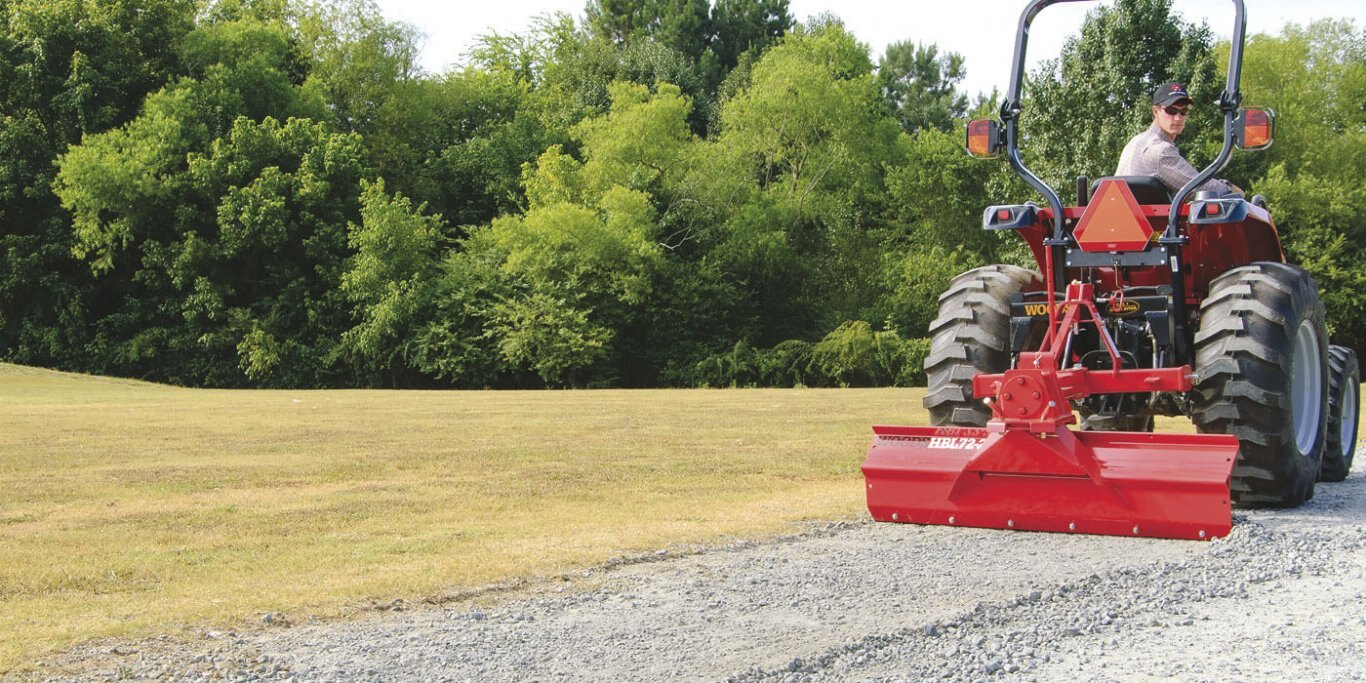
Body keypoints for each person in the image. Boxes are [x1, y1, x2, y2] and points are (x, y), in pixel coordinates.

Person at [1115, 82, 1241, 196]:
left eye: (1183, 111)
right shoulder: (1160, 151)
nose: (1178, 118)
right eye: (1171, 111)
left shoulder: (1135, 141)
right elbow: (1198, 186)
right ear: (1155, 111)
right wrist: (1230, 189)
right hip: (1147, 220)